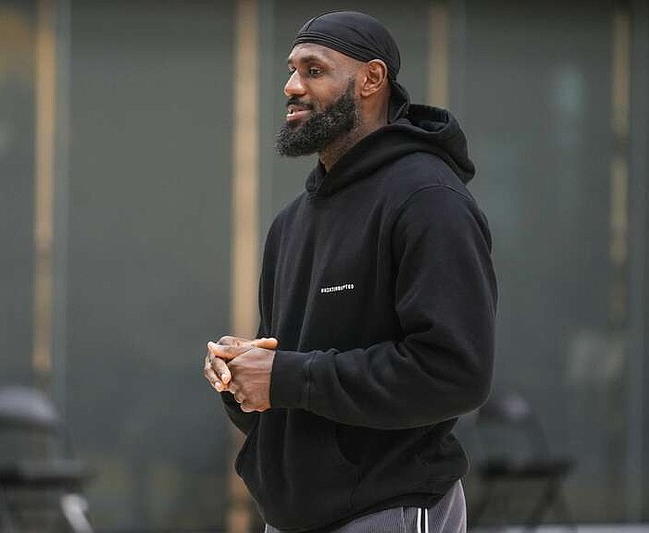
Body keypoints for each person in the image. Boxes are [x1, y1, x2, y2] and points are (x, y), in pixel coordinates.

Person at [203, 11, 496, 533]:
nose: (291, 86)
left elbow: (455, 373)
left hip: (388, 509)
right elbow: (289, 387)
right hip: (290, 517)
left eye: (314, 71)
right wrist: (242, 379)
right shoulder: (290, 224)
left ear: (371, 80)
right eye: (291, 70)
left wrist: (288, 377)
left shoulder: (428, 201)